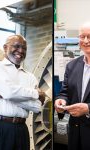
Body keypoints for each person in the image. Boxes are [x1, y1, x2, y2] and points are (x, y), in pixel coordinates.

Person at [0, 35, 45, 150]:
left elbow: (37, 106)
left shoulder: (30, 77)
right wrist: (35, 93)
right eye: (16, 46)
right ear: (5, 47)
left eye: (24, 48)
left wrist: (3, 95)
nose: (20, 50)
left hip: (21, 130)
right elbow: (9, 92)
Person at [55, 22, 90, 150]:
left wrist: (88, 109)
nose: (85, 41)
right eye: (82, 36)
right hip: (75, 134)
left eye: (89, 36)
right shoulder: (72, 66)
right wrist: (61, 100)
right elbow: (65, 92)